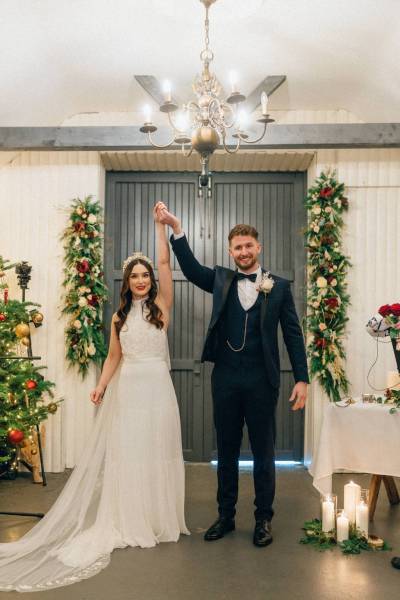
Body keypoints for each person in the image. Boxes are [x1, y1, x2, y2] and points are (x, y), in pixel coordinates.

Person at [0, 206, 189, 592]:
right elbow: (113, 357)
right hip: (131, 389)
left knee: (158, 450)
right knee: (131, 453)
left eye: (145, 275)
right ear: (127, 281)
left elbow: (167, 263)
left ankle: (157, 518)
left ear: (152, 280)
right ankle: (129, 516)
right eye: (134, 276)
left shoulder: (163, 307)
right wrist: (102, 385)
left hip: (159, 389)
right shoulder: (119, 318)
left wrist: (162, 227)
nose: (140, 280)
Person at [156, 201, 308, 547]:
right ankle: (225, 515)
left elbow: (294, 335)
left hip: (261, 381)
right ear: (230, 251)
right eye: (237, 247)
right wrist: (175, 228)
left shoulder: (279, 287)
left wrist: (302, 378)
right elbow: (192, 270)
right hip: (224, 378)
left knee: (263, 452)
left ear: (259, 247)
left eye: (248, 246)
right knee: (225, 450)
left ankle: (263, 519)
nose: (243, 252)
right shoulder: (222, 279)